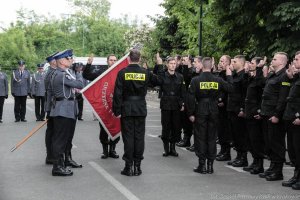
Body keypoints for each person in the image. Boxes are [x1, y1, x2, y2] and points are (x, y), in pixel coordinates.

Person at [112, 49, 156, 176]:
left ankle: (128, 166)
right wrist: (157, 66)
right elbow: (157, 81)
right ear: (140, 58)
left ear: (128, 58)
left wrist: (117, 110)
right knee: (139, 137)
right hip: (140, 107)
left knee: (128, 137)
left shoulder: (122, 73)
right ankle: (137, 166)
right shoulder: (145, 72)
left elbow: (118, 93)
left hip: (126, 107)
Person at [186, 57, 233, 174]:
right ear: (212, 66)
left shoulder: (195, 80)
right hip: (214, 109)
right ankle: (210, 165)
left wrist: (190, 113)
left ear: (202, 66)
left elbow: (190, 98)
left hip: (201, 109)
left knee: (200, 137)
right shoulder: (218, 80)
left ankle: (202, 165)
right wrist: (229, 76)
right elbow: (231, 88)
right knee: (211, 137)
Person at [50, 49, 84, 176]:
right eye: (69, 58)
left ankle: (64, 161)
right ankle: (57, 166)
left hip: (68, 109)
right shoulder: (61, 75)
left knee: (67, 138)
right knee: (60, 139)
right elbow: (80, 84)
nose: (71, 60)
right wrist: (79, 71)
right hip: (63, 110)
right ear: (62, 61)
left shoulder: (65, 72)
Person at [259, 52, 290, 181]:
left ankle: (278, 171)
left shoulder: (284, 77)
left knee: (277, 144)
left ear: (282, 62)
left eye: (275, 59)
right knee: (270, 143)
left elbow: (282, 98)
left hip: (274, 115)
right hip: (267, 113)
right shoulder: (273, 75)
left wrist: (277, 114)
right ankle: (272, 167)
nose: (272, 60)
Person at [82, 54, 120, 159]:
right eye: (111, 60)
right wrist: (89, 64)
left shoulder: (120, 73)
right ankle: (105, 151)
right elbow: (87, 76)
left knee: (116, 127)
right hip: (104, 106)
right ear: (107, 61)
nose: (113, 62)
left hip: (116, 106)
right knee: (103, 130)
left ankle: (113, 150)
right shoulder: (102, 73)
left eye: (115, 60)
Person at [155, 56, 186, 157]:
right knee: (166, 126)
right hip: (166, 104)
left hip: (176, 104)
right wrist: (159, 66)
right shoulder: (163, 75)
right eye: (171, 63)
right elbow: (158, 81)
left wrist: (182, 103)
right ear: (167, 65)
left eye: (174, 63)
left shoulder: (180, 76)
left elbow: (183, 92)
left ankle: (173, 148)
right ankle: (166, 148)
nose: (173, 65)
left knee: (175, 127)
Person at [243, 57, 265, 174]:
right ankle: (255, 162)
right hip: (248, 113)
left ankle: (259, 164)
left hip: (255, 114)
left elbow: (260, 87)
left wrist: (260, 69)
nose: (249, 65)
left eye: (252, 63)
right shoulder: (251, 78)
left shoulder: (259, 79)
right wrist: (247, 74)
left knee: (256, 141)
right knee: (250, 141)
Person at [226, 55, 249, 167]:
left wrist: (242, 109)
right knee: (234, 135)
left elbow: (245, 95)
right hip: (231, 108)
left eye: (234, 61)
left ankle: (243, 157)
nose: (232, 63)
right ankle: (239, 156)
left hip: (238, 109)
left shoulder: (243, 76)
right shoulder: (234, 75)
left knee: (240, 135)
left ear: (241, 63)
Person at [282, 51, 300, 189]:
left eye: (297, 59)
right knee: (293, 151)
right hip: (291, 118)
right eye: (294, 59)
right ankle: (296, 176)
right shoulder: (297, 78)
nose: (294, 61)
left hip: (297, 119)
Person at [215, 55, 232, 161]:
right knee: (220, 130)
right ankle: (222, 150)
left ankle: (227, 152)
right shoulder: (219, 75)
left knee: (226, 131)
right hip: (218, 107)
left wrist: (223, 101)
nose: (220, 63)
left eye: (223, 61)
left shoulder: (228, 75)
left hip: (225, 107)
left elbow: (228, 90)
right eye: (220, 61)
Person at [44, 52, 58, 164]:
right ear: (53, 61)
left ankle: (51, 155)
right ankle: (50, 156)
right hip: (52, 107)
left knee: (53, 132)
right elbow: (50, 93)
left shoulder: (53, 72)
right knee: (51, 132)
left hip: (53, 107)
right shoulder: (50, 73)